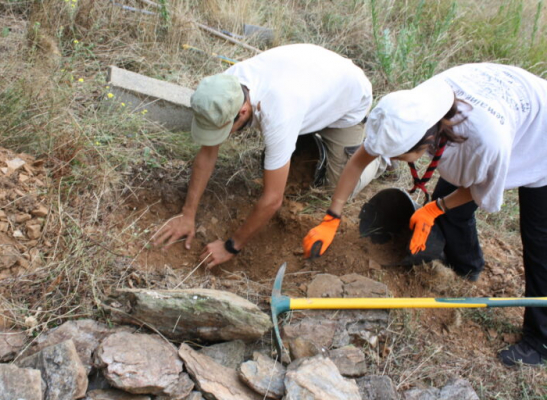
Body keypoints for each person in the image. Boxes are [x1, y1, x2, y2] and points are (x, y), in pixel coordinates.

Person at [303, 63, 547, 366]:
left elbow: (481, 188)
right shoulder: (408, 111)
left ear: (427, 142)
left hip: (540, 134)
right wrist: (332, 216)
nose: (390, 160)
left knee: (539, 241)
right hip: (505, 109)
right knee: (449, 207)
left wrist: (436, 208)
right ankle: (466, 266)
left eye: (397, 156)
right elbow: (358, 161)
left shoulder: (482, 143)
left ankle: (541, 340)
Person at [153, 44, 385, 268]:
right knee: (281, 152)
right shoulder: (223, 89)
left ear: (242, 111)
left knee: (337, 187)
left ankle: (382, 155)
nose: (219, 137)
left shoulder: (279, 112)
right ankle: (308, 138)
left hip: (347, 101)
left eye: (223, 130)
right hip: (314, 84)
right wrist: (187, 214)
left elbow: (273, 200)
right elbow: (207, 153)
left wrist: (232, 246)